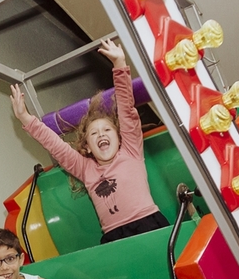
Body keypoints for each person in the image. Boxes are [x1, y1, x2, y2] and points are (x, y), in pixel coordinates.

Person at [10, 39, 168, 244]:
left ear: (119, 137)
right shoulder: (85, 168)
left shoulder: (130, 151)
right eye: (93, 134)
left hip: (148, 221)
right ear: (86, 146)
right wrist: (25, 118)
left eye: (107, 130)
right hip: (114, 235)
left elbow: (126, 109)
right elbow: (55, 145)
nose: (101, 135)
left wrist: (119, 65)